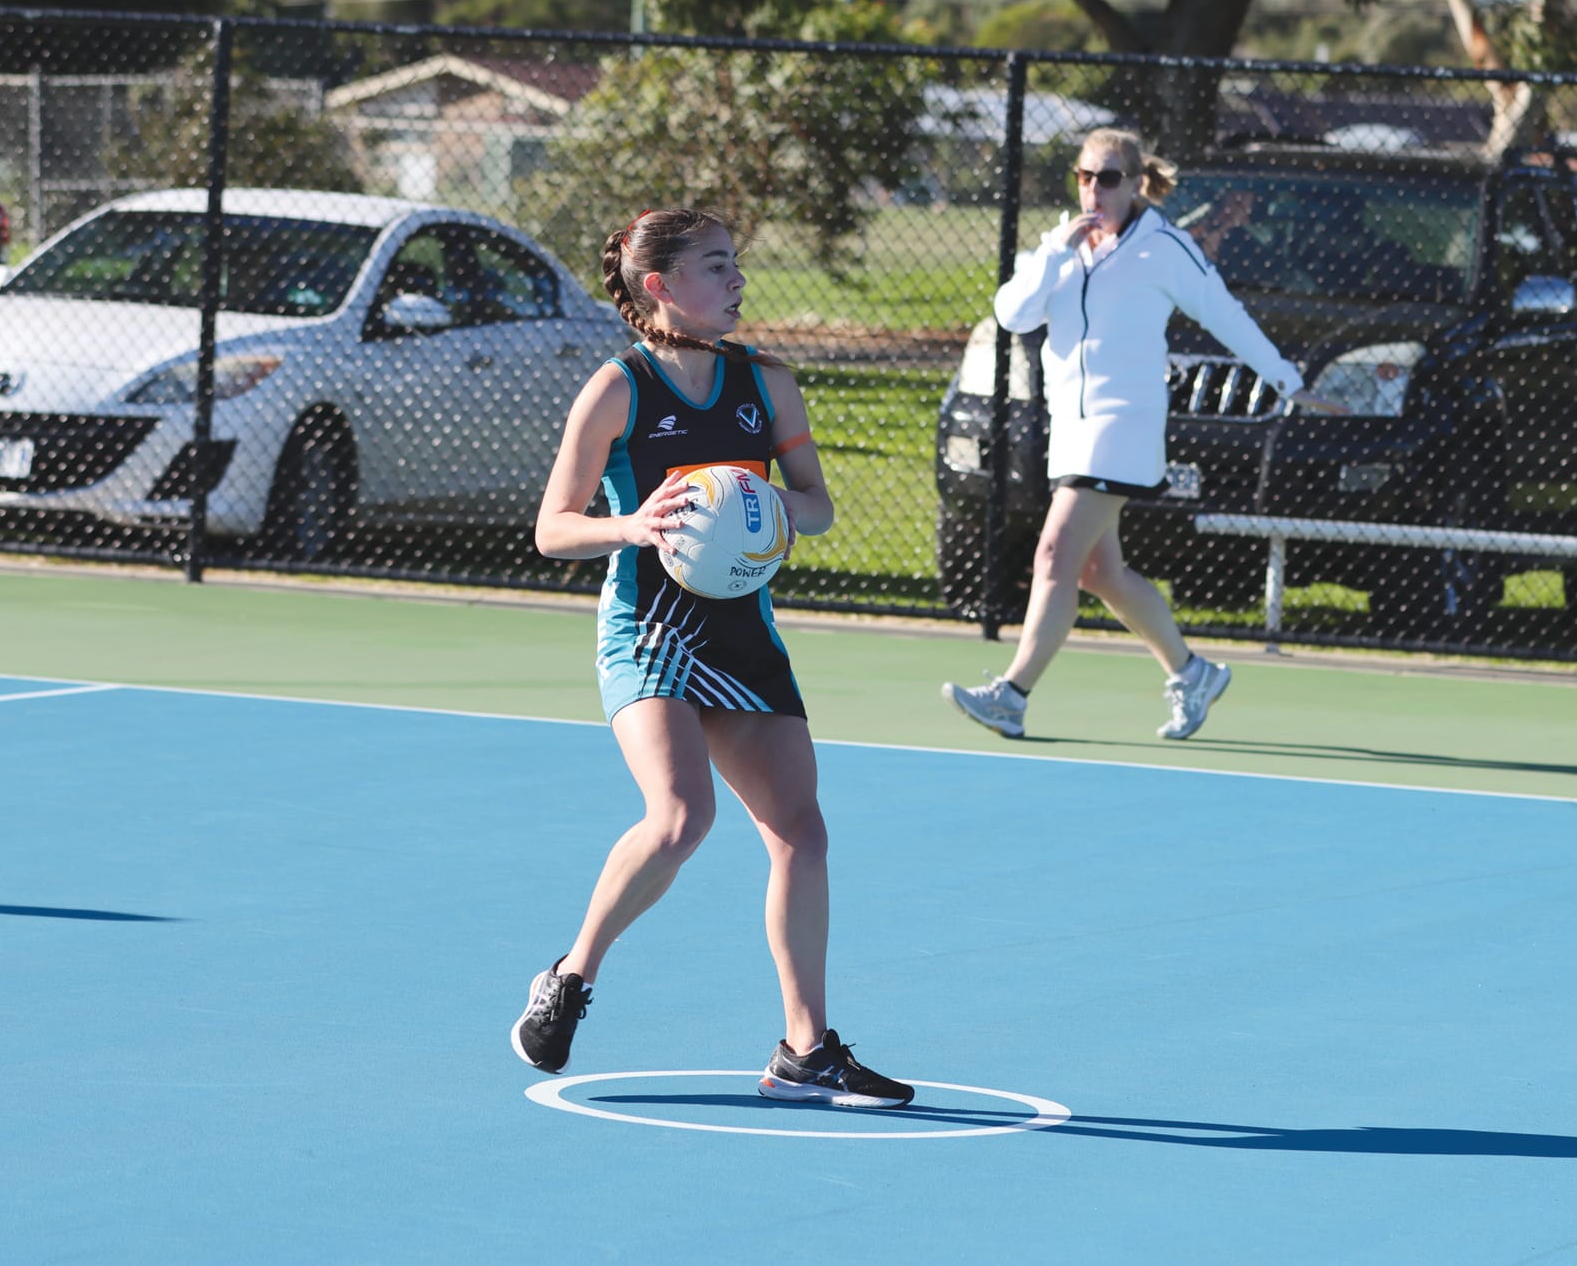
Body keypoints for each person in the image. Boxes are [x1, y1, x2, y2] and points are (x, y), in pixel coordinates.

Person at [512, 207, 912, 1109]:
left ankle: (806, 1048)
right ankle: (572, 973)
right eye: (717, 266)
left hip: (742, 633)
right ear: (661, 286)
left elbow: (816, 506)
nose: (737, 280)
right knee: (681, 818)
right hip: (649, 626)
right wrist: (633, 523)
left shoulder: (766, 381)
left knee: (799, 830)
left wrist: (766, 508)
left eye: (737, 264)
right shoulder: (617, 389)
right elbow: (552, 529)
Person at [942, 129, 1342, 742]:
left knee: (1053, 555)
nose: (1093, 190)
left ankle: (1013, 695)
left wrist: (1287, 380)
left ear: (1134, 184)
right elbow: (1012, 314)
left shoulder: (1164, 248)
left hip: (1121, 428)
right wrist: (1053, 254)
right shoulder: (1060, 244)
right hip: (1069, 432)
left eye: (1107, 179)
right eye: (1083, 176)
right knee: (1100, 572)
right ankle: (1191, 672)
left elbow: (1224, 312)